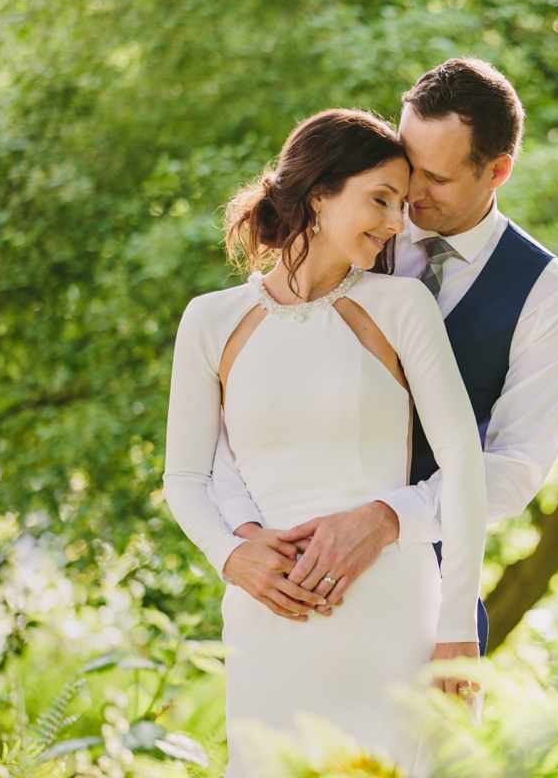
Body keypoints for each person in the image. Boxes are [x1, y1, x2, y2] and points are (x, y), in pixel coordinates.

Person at [209, 58, 558, 654]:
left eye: (435, 178)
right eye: (407, 166)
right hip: (284, 586)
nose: (409, 195)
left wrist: (388, 517)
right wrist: (240, 538)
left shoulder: (550, 296)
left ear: (497, 171)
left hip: (429, 594)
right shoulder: (346, 233)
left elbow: (515, 467)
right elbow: (245, 400)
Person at [162, 108, 487, 777]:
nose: (397, 223)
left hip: (392, 614)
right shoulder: (211, 321)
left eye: (401, 205)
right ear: (318, 195)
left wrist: (458, 629)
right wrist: (230, 557)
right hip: (267, 618)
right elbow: (185, 478)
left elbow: (463, 464)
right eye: (380, 199)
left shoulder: (401, 308)